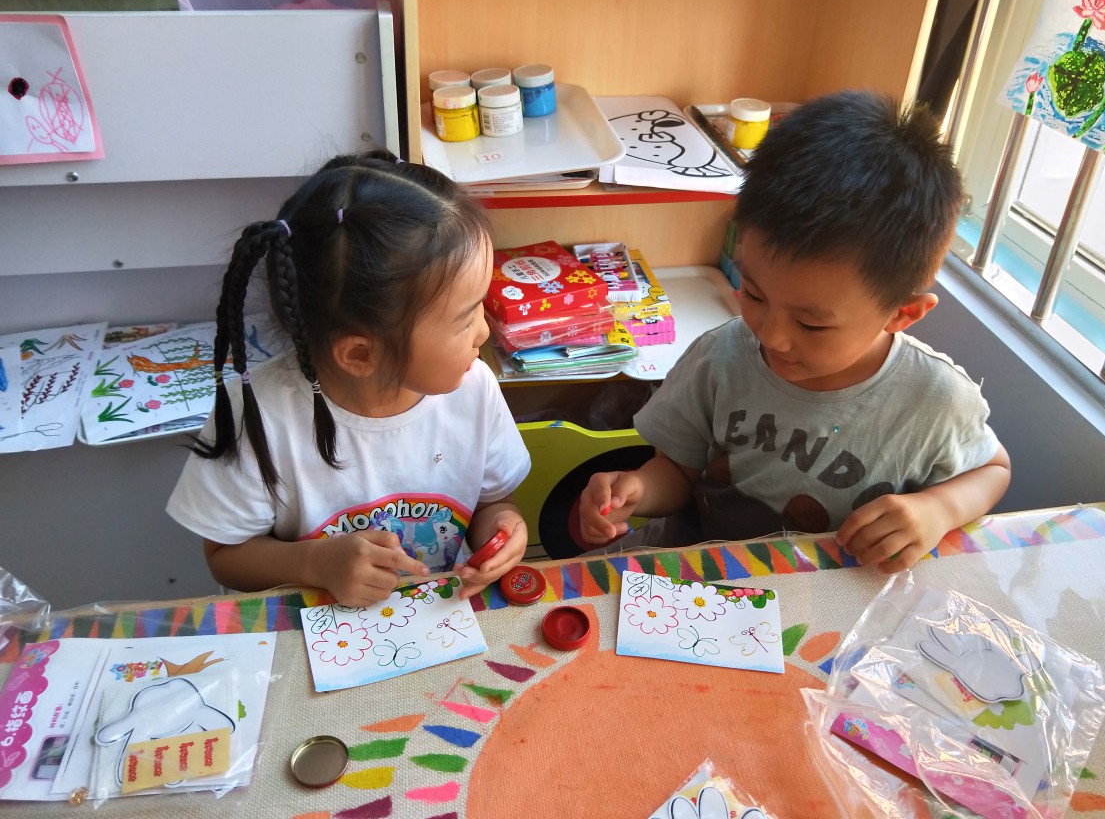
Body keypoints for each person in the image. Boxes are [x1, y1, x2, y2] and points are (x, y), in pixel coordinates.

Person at [578, 90, 1011, 573]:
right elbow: (679, 470)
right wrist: (638, 490)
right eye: (754, 294)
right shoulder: (720, 357)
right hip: (706, 580)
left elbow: (992, 469)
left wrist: (939, 508)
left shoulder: (936, 399)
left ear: (902, 314)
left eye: (811, 323)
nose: (772, 337)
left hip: (841, 592)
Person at [167, 151, 531, 606]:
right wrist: (316, 565)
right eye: (465, 318)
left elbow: (492, 501)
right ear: (361, 354)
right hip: (319, 633)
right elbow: (225, 556)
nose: (485, 331)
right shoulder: (257, 414)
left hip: (441, 618)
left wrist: (503, 530)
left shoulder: (474, 388)